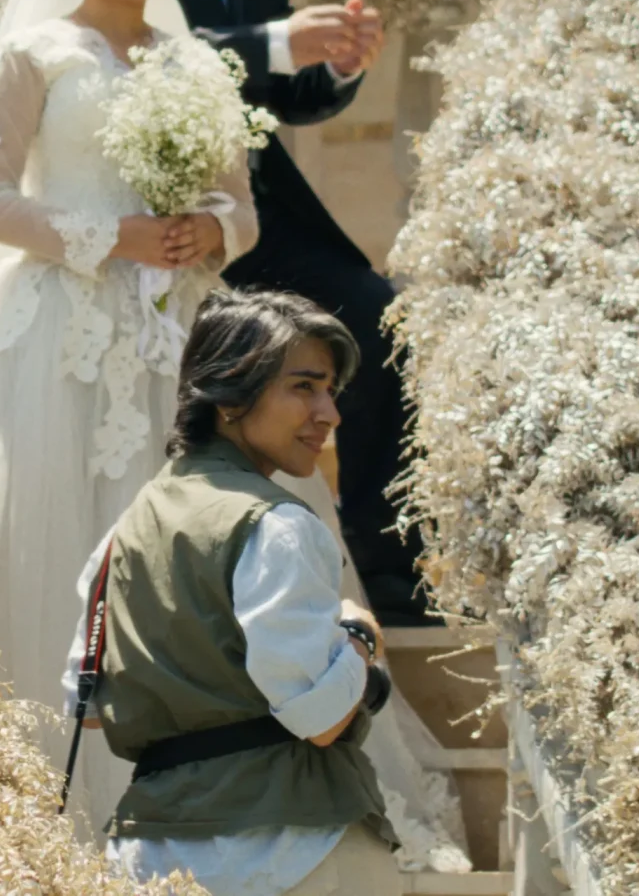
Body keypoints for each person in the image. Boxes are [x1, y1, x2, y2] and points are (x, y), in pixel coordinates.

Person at [0, 0, 258, 829]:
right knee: (57, 545)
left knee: (180, 542)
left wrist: (207, 231)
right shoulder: (36, 53)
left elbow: (243, 209)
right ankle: (48, 803)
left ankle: (196, 789)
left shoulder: (197, 64)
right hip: (56, 339)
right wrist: (111, 235)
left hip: (172, 336)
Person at [113, 0, 432, 627]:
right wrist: (277, 41)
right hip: (142, 207)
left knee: (378, 315)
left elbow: (287, 95)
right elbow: (140, 46)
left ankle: (390, 569)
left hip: (257, 212)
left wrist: (336, 64)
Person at [62, 290, 401, 896]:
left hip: (151, 861)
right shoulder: (277, 525)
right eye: (304, 387)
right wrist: (359, 636)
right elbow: (321, 719)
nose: (329, 413)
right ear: (229, 397)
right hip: (296, 852)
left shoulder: (123, 535)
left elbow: (86, 706)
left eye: (330, 391)